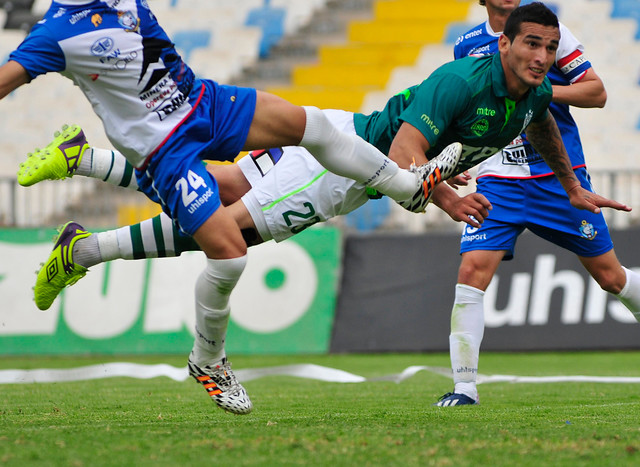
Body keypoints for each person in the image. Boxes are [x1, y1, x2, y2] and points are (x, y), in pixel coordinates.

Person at [16, 1, 629, 412]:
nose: (542, 57)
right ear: (505, 39)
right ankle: (98, 252)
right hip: (345, 173)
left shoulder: (535, 86)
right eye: (532, 45)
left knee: (223, 191)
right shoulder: (464, 80)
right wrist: (441, 193)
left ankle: (85, 173)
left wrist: (574, 189)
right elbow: (408, 148)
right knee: (224, 234)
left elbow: (543, 119)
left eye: (550, 48)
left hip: (341, 138)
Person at [0, 1, 456, 416]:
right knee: (231, 248)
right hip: (164, 149)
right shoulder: (55, 32)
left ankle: (408, 187)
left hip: (205, 102)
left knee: (311, 126)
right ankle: (207, 360)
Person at [434, 0, 640, 407]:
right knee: (472, 270)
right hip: (497, 179)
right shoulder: (466, 45)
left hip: (557, 179)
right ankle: (464, 389)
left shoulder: (548, 35)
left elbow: (596, 92)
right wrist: (449, 159)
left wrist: (538, 90)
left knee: (611, 278)